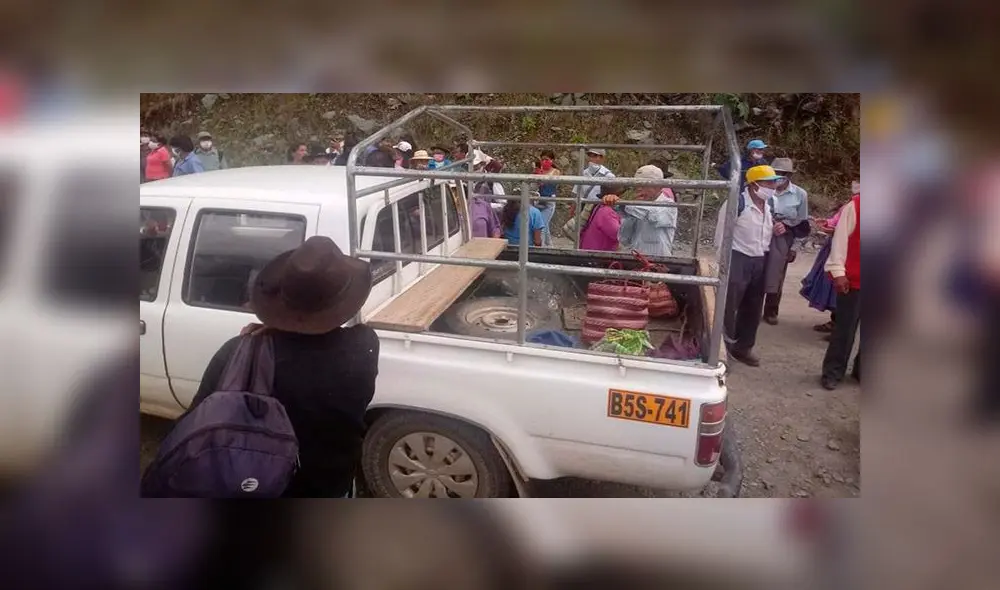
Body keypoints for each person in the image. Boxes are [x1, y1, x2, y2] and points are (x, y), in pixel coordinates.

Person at [181, 236, 379, 497]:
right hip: (331, 486)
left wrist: (267, 334)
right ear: (342, 300)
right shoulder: (364, 346)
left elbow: (193, 422)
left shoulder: (238, 351)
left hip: (258, 486)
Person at [713, 164, 784, 367]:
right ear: (754, 185)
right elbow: (721, 236)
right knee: (728, 307)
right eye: (769, 182)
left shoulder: (769, 205)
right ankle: (721, 351)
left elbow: (765, 232)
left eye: (773, 182)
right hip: (737, 258)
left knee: (753, 307)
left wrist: (777, 230)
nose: (773, 186)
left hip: (760, 259)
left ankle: (743, 347)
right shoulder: (736, 203)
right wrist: (722, 265)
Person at [762, 158, 811, 324]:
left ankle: (771, 310)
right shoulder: (763, 190)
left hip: (784, 238)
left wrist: (794, 247)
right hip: (762, 233)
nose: (779, 177)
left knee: (777, 274)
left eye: (783, 174)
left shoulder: (800, 194)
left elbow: (803, 224)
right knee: (756, 270)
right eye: (776, 173)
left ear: (789, 176)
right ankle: (751, 308)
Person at [820, 193, 860, 390]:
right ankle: (833, 371)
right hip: (855, 280)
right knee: (845, 329)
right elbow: (840, 240)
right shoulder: (856, 206)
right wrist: (838, 271)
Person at [601, 165, 677, 257]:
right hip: (636, 262)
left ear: (659, 186)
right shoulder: (635, 207)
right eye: (636, 184)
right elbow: (624, 239)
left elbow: (653, 215)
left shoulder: (668, 205)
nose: (639, 188)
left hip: (658, 263)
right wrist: (624, 209)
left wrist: (622, 205)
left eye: (644, 184)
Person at [800, 201, 847, 336]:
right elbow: (838, 221)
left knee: (843, 288)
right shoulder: (852, 203)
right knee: (832, 286)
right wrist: (828, 223)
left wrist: (835, 229)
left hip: (847, 251)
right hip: (835, 248)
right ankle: (836, 322)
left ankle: (841, 327)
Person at [566, 147, 616, 236]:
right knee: (582, 233)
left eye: (595, 156)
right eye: (590, 156)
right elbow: (577, 193)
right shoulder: (583, 173)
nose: (592, 158)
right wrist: (572, 210)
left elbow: (613, 195)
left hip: (599, 209)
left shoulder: (609, 176)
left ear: (602, 158)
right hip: (584, 208)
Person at [579, 184, 623, 252]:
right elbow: (620, 235)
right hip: (598, 255)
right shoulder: (607, 212)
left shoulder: (598, 206)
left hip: (589, 249)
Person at [533, 150, 561, 246]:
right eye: (542, 159)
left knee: (542, 226)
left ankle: (542, 249)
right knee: (545, 224)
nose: (544, 161)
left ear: (552, 160)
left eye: (547, 159)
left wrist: (541, 176)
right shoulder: (538, 170)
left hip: (549, 201)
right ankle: (550, 247)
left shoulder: (556, 171)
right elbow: (534, 185)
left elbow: (553, 184)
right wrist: (536, 175)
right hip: (538, 200)